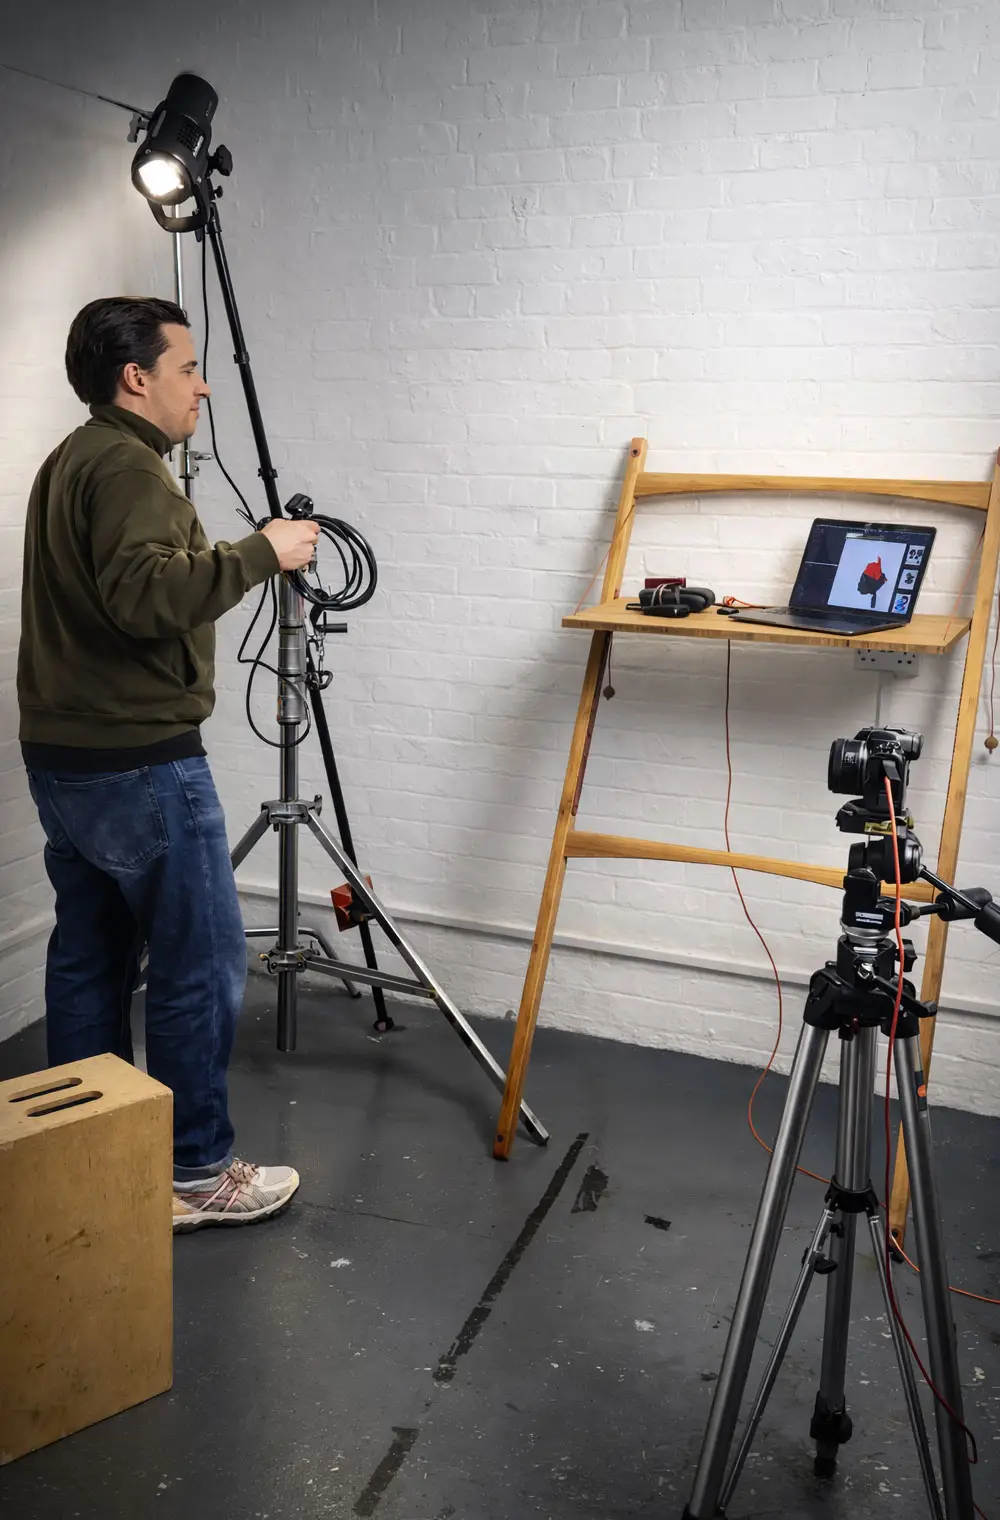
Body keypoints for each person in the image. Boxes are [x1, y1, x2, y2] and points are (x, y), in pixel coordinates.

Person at [17, 296, 320, 1232]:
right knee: (197, 965)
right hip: (140, 762)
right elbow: (148, 597)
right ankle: (194, 1173)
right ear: (136, 377)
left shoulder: (69, 462)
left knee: (91, 961)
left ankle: (86, 1153)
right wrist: (261, 552)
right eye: (188, 367)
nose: (203, 384)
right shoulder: (129, 468)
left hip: (64, 760)